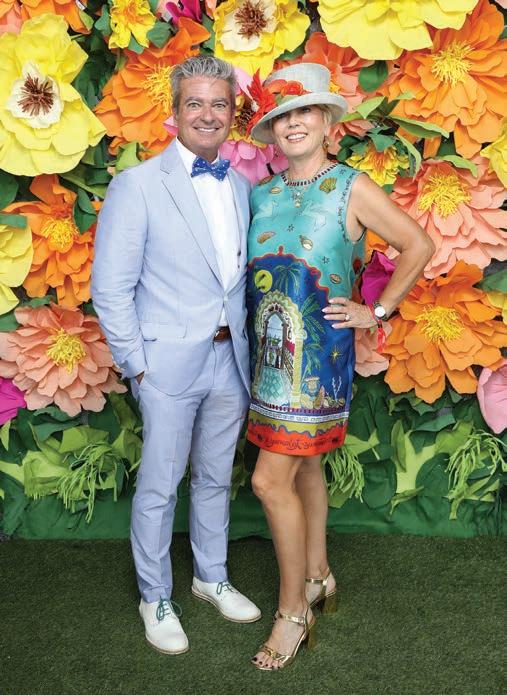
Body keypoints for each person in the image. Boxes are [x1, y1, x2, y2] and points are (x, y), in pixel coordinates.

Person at [245, 63, 435, 670]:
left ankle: (292, 613)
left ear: (328, 122)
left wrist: (374, 310)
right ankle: (319, 575)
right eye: (282, 116)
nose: (293, 124)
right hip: (266, 359)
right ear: (273, 132)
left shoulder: (351, 187)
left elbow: (419, 244)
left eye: (305, 111)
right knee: (303, 468)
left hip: (318, 361)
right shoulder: (261, 194)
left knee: (267, 481)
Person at [91, 55, 261, 656]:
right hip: (165, 365)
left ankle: (211, 577)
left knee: (215, 477)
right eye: (195, 103)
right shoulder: (137, 185)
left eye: (220, 103)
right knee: (161, 486)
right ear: (175, 110)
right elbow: (110, 288)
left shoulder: (240, 186)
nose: (208, 115)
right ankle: (154, 596)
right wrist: (138, 365)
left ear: (233, 112)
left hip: (229, 362)